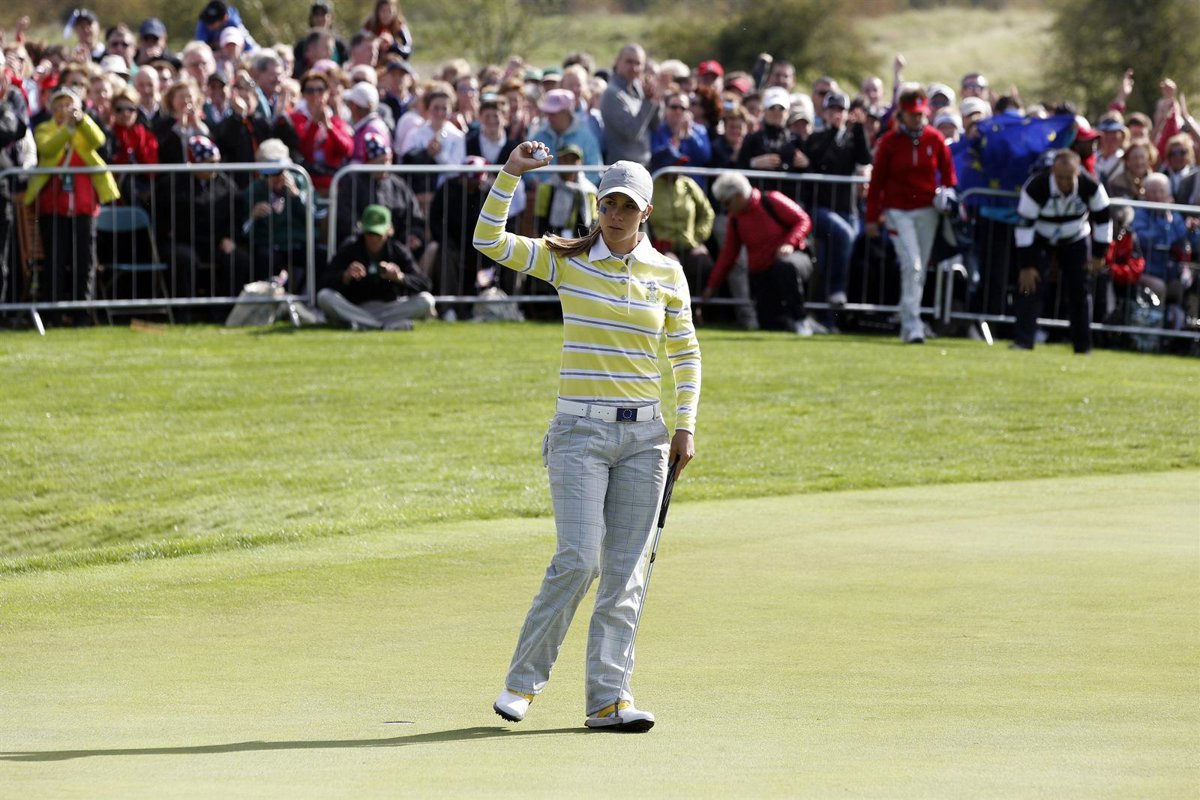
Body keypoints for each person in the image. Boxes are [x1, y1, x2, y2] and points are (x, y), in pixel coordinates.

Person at [475, 142, 698, 733]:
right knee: (578, 558)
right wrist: (510, 174)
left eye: (627, 206)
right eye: (608, 204)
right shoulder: (567, 258)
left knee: (626, 573)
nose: (616, 215)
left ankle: (608, 700)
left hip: (646, 439)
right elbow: (489, 241)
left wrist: (685, 424)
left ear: (646, 211)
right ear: (597, 206)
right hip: (579, 432)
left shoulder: (667, 272)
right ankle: (521, 684)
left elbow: (685, 353)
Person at [864, 88, 957, 344]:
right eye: (912, 114)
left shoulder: (935, 139)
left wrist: (947, 196)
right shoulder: (889, 142)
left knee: (920, 268)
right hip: (897, 211)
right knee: (912, 264)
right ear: (902, 114)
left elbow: (949, 175)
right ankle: (912, 322)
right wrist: (872, 216)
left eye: (920, 113)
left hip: (928, 211)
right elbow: (877, 182)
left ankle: (908, 321)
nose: (917, 118)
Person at [26, 86, 119, 317]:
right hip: (53, 203)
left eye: (68, 105)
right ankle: (53, 312)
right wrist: (67, 130)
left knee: (84, 259)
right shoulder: (44, 129)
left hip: (83, 202)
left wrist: (82, 121)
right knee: (55, 259)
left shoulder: (85, 125)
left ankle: (83, 312)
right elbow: (47, 148)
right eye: (58, 105)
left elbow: (98, 140)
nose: (63, 109)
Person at [1011, 149, 1112, 353]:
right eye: (1059, 177)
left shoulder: (1091, 185)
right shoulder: (1036, 186)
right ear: (1052, 172)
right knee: (1030, 286)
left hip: (1076, 236)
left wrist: (1099, 255)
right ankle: (1023, 341)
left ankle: (1083, 347)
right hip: (1040, 237)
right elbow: (1024, 227)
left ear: (1077, 173)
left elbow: (1103, 220)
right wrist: (1026, 265)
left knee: (1079, 290)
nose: (1064, 182)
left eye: (1068, 178)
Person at [703, 170, 814, 335]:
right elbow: (728, 255)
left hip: (793, 260)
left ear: (738, 196)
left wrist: (789, 243)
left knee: (784, 266)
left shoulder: (772, 200)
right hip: (762, 274)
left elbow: (803, 220)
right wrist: (712, 286)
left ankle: (801, 319)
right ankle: (800, 323)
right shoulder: (735, 219)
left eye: (727, 202)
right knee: (770, 324)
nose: (726, 208)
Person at [801, 90, 872, 309]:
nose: (836, 114)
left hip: (847, 209)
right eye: (832, 109)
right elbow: (817, 158)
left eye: (840, 110)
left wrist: (858, 128)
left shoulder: (851, 138)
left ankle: (828, 315)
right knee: (844, 235)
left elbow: (864, 158)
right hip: (821, 208)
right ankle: (836, 291)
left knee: (831, 259)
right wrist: (832, 130)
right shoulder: (816, 137)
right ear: (824, 112)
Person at [318, 204, 433, 330]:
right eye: (369, 233)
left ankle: (363, 324)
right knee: (324, 296)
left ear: (389, 231)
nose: (373, 239)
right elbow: (325, 281)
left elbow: (425, 283)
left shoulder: (398, 250)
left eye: (378, 234)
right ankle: (381, 326)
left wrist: (400, 278)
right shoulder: (349, 248)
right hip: (356, 307)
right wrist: (345, 276)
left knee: (427, 300)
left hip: (390, 308)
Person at [648, 150, 714, 293]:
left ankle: (697, 305)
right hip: (662, 248)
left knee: (703, 264)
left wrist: (698, 238)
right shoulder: (650, 188)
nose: (679, 170)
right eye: (675, 165)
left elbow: (707, 213)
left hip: (690, 245)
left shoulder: (689, 184)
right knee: (669, 268)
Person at [1131, 173, 1191, 330]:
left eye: (1161, 191)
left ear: (1168, 194)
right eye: (1153, 191)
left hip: (1170, 272)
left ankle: (1176, 331)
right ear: (1146, 194)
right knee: (1159, 287)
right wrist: (1165, 225)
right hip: (1146, 272)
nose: (1157, 196)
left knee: (1180, 287)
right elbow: (1144, 238)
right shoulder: (1140, 214)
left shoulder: (1174, 214)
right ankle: (1154, 330)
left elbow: (1182, 236)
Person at [291, 69, 353, 194]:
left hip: (333, 184)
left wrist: (329, 127)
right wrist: (314, 124)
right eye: (310, 90)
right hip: (307, 184)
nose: (315, 94)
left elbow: (347, 149)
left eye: (320, 89)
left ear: (327, 92)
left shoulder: (336, 120)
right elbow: (303, 149)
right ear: (303, 94)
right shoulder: (295, 119)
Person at [599, 43, 661, 167]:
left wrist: (656, 98)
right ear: (617, 61)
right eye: (629, 62)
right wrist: (647, 101)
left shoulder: (639, 89)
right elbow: (631, 133)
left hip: (643, 165)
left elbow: (655, 125)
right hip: (622, 169)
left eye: (638, 63)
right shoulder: (611, 94)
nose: (634, 68)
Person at [532, 143, 596, 237]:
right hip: (551, 241)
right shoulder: (545, 187)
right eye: (565, 159)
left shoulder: (590, 191)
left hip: (581, 243)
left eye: (573, 160)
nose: (569, 163)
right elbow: (540, 223)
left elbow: (593, 224)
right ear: (558, 161)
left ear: (580, 163)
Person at [195, 1, 260, 55]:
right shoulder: (204, 21)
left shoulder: (234, 23)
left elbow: (251, 48)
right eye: (208, 21)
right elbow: (200, 47)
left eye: (213, 21)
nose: (209, 25)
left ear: (224, 18)